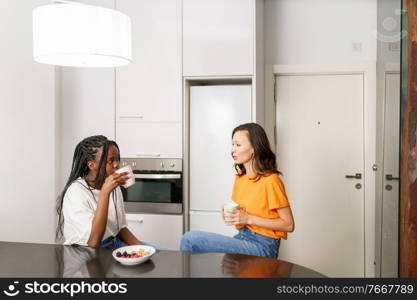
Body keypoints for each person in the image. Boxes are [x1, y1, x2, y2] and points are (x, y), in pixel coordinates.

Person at [180, 123, 294, 258]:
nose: (233, 150)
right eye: (232, 144)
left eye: (238, 145)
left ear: (254, 149)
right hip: (242, 237)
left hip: (263, 246)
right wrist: (233, 217)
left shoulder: (271, 181)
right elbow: (242, 222)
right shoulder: (240, 178)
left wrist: (249, 218)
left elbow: (288, 224)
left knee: (190, 239)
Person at [56, 135, 143, 249]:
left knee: (162, 256)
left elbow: (120, 229)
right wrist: (105, 192)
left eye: (117, 159)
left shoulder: (112, 185)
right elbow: (93, 242)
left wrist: (144, 249)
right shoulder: (75, 192)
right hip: (85, 253)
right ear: (91, 165)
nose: (116, 165)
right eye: (110, 161)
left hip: (114, 243)